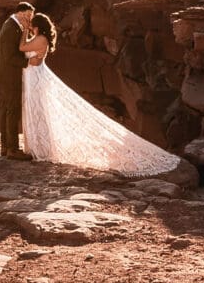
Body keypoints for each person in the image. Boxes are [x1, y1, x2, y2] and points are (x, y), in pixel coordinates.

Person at [16, 11, 183, 177]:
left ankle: (41, 147)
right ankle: (38, 145)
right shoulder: (39, 38)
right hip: (34, 77)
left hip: (37, 77)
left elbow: (22, 47)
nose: (30, 28)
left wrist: (23, 30)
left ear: (37, 27)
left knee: (39, 110)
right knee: (37, 111)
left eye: (32, 26)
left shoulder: (41, 39)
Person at [0, 1, 41, 160]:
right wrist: (28, 63)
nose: (28, 19)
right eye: (27, 16)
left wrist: (26, 29)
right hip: (9, 74)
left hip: (7, 73)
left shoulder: (14, 25)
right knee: (12, 108)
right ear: (20, 13)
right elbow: (9, 56)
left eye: (30, 17)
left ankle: (6, 147)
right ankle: (12, 149)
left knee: (7, 108)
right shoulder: (10, 28)